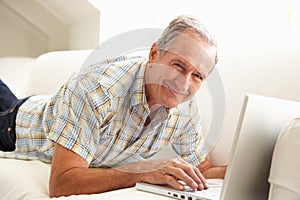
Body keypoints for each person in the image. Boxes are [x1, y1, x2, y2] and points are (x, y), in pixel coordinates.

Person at [0, 15, 226, 197]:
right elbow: (62, 184)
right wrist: (142, 171)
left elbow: (202, 168)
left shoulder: (185, 108)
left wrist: (250, 171)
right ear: (154, 54)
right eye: (178, 65)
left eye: (197, 75)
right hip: (14, 127)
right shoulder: (97, 89)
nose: (184, 83)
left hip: (50, 107)